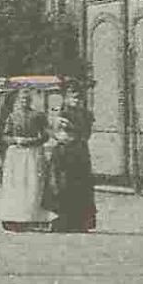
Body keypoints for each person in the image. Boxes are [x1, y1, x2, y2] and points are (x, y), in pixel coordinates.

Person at [0, 89, 54, 232]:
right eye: (21, 99)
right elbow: (5, 136)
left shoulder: (38, 116)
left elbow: (46, 135)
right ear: (18, 101)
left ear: (31, 101)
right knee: (16, 185)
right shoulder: (12, 116)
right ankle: (14, 217)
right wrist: (16, 140)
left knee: (33, 184)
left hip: (32, 153)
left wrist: (32, 141)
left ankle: (32, 217)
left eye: (27, 99)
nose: (24, 102)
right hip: (16, 154)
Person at [49, 84, 96, 233]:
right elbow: (56, 133)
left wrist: (76, 137)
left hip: (80, 152)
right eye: (72, 97)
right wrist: (63, 136)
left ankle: (81, 222)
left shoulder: (86, 115)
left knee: (81, 186)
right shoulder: (62, 114)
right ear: (66, 99)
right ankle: (63, 221)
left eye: (78, 97)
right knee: (63, 186)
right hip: (64, 153)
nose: (75, 100)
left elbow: (86, 134)